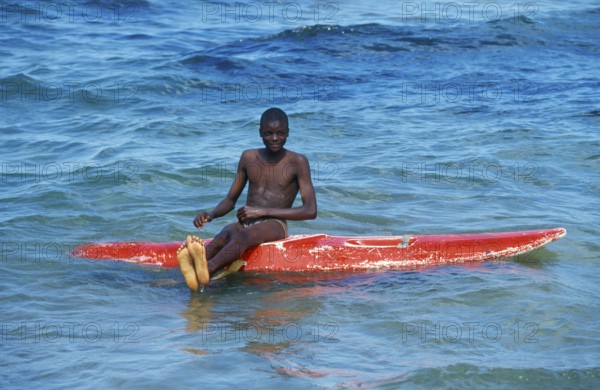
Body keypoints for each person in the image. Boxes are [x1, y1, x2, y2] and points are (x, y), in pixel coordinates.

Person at [177, 108, 317, 290]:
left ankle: (207, 270)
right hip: (247, 223)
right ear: (260, 133)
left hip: (274, 224)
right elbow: (230, 200)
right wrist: (210, 215)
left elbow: (310, 210)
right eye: (269, 133)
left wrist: (262, 211)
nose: (274, 138)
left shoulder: (298, 162)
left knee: (241, 236)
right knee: (224, 234)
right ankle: (189, 277)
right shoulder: (248, 157)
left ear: (288, 133)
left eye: (280, 133)